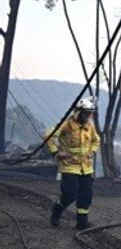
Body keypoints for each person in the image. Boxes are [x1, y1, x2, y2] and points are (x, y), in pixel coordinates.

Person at [47, 98, 101, 230]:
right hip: (69, 166)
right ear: (79, 112)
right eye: (87, 113)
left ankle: (81, 222)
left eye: (90, 114)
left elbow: (96, 140)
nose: (89, 116)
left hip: (86, 168)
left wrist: (92, 152)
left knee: (86, 195)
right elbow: (48, 135)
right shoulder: (67, 124)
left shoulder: (89, 127)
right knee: (70, 194)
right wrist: (56, 152)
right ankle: (57, 211)